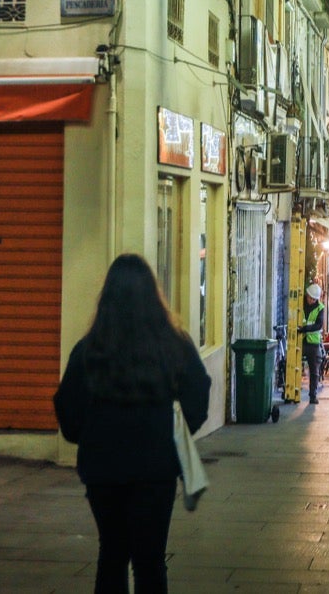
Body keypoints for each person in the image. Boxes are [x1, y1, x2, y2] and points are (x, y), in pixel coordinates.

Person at [54, 254, 212, 594]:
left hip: (103, 468)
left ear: (107, 297)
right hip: (155, 468)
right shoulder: (174, 344)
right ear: (153, 296)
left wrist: (88, 436)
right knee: (150, 559)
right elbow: (199, 394)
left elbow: (67, 408)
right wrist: (177, 431)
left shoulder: (89, 349)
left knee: (111, 553)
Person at [299, 282, 325, 403]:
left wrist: (304, 329)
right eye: (310, 298)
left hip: (313, 343)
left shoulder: (320, 308)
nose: (312, 301)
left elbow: (319, 325)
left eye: (315, 299)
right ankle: (290, 390)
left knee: (314, 371)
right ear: (307, 295)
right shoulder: (300, 304)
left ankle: (313, 395)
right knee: (292, 364)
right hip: (300, 340)